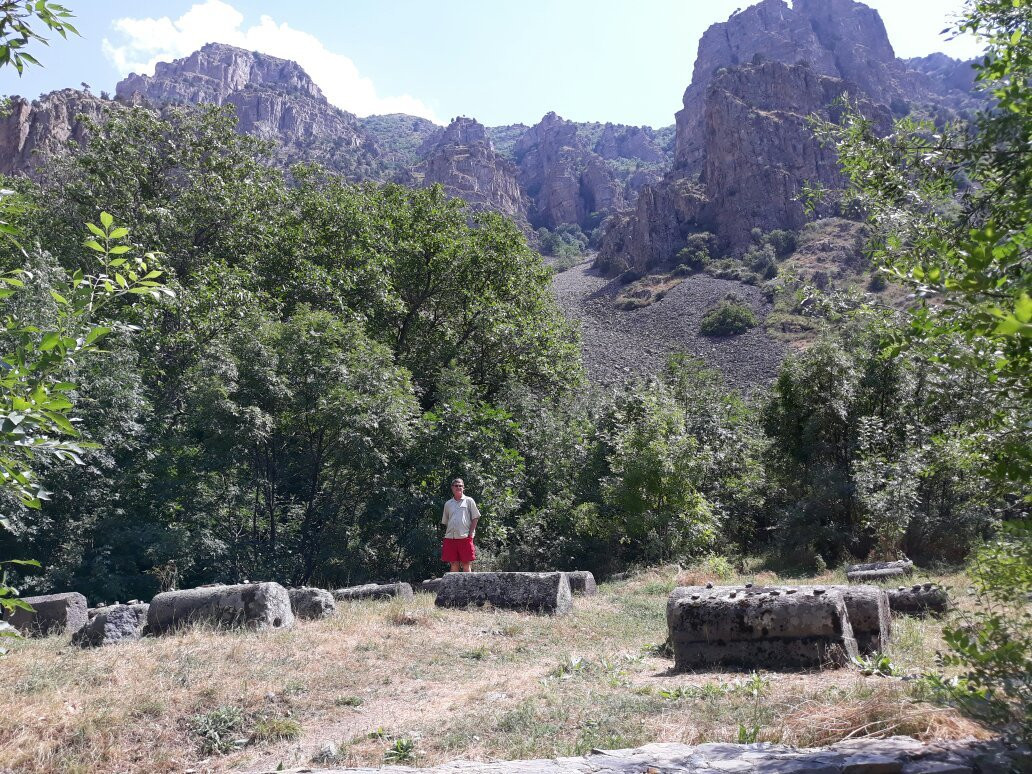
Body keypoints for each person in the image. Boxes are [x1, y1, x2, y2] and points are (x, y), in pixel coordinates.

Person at [441, 477, 480, 572]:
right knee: (454, 563)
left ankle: (468, 586)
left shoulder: (469, 501)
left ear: (463, 488)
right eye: (456, 486)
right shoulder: (448, 504)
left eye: (460, 486)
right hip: (451, 538)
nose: (458, 487)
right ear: (452, 488)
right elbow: (446, 521)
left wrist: (470, 534)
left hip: (465, 537)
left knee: (466, 563)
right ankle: (454, 587)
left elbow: (475, 517)